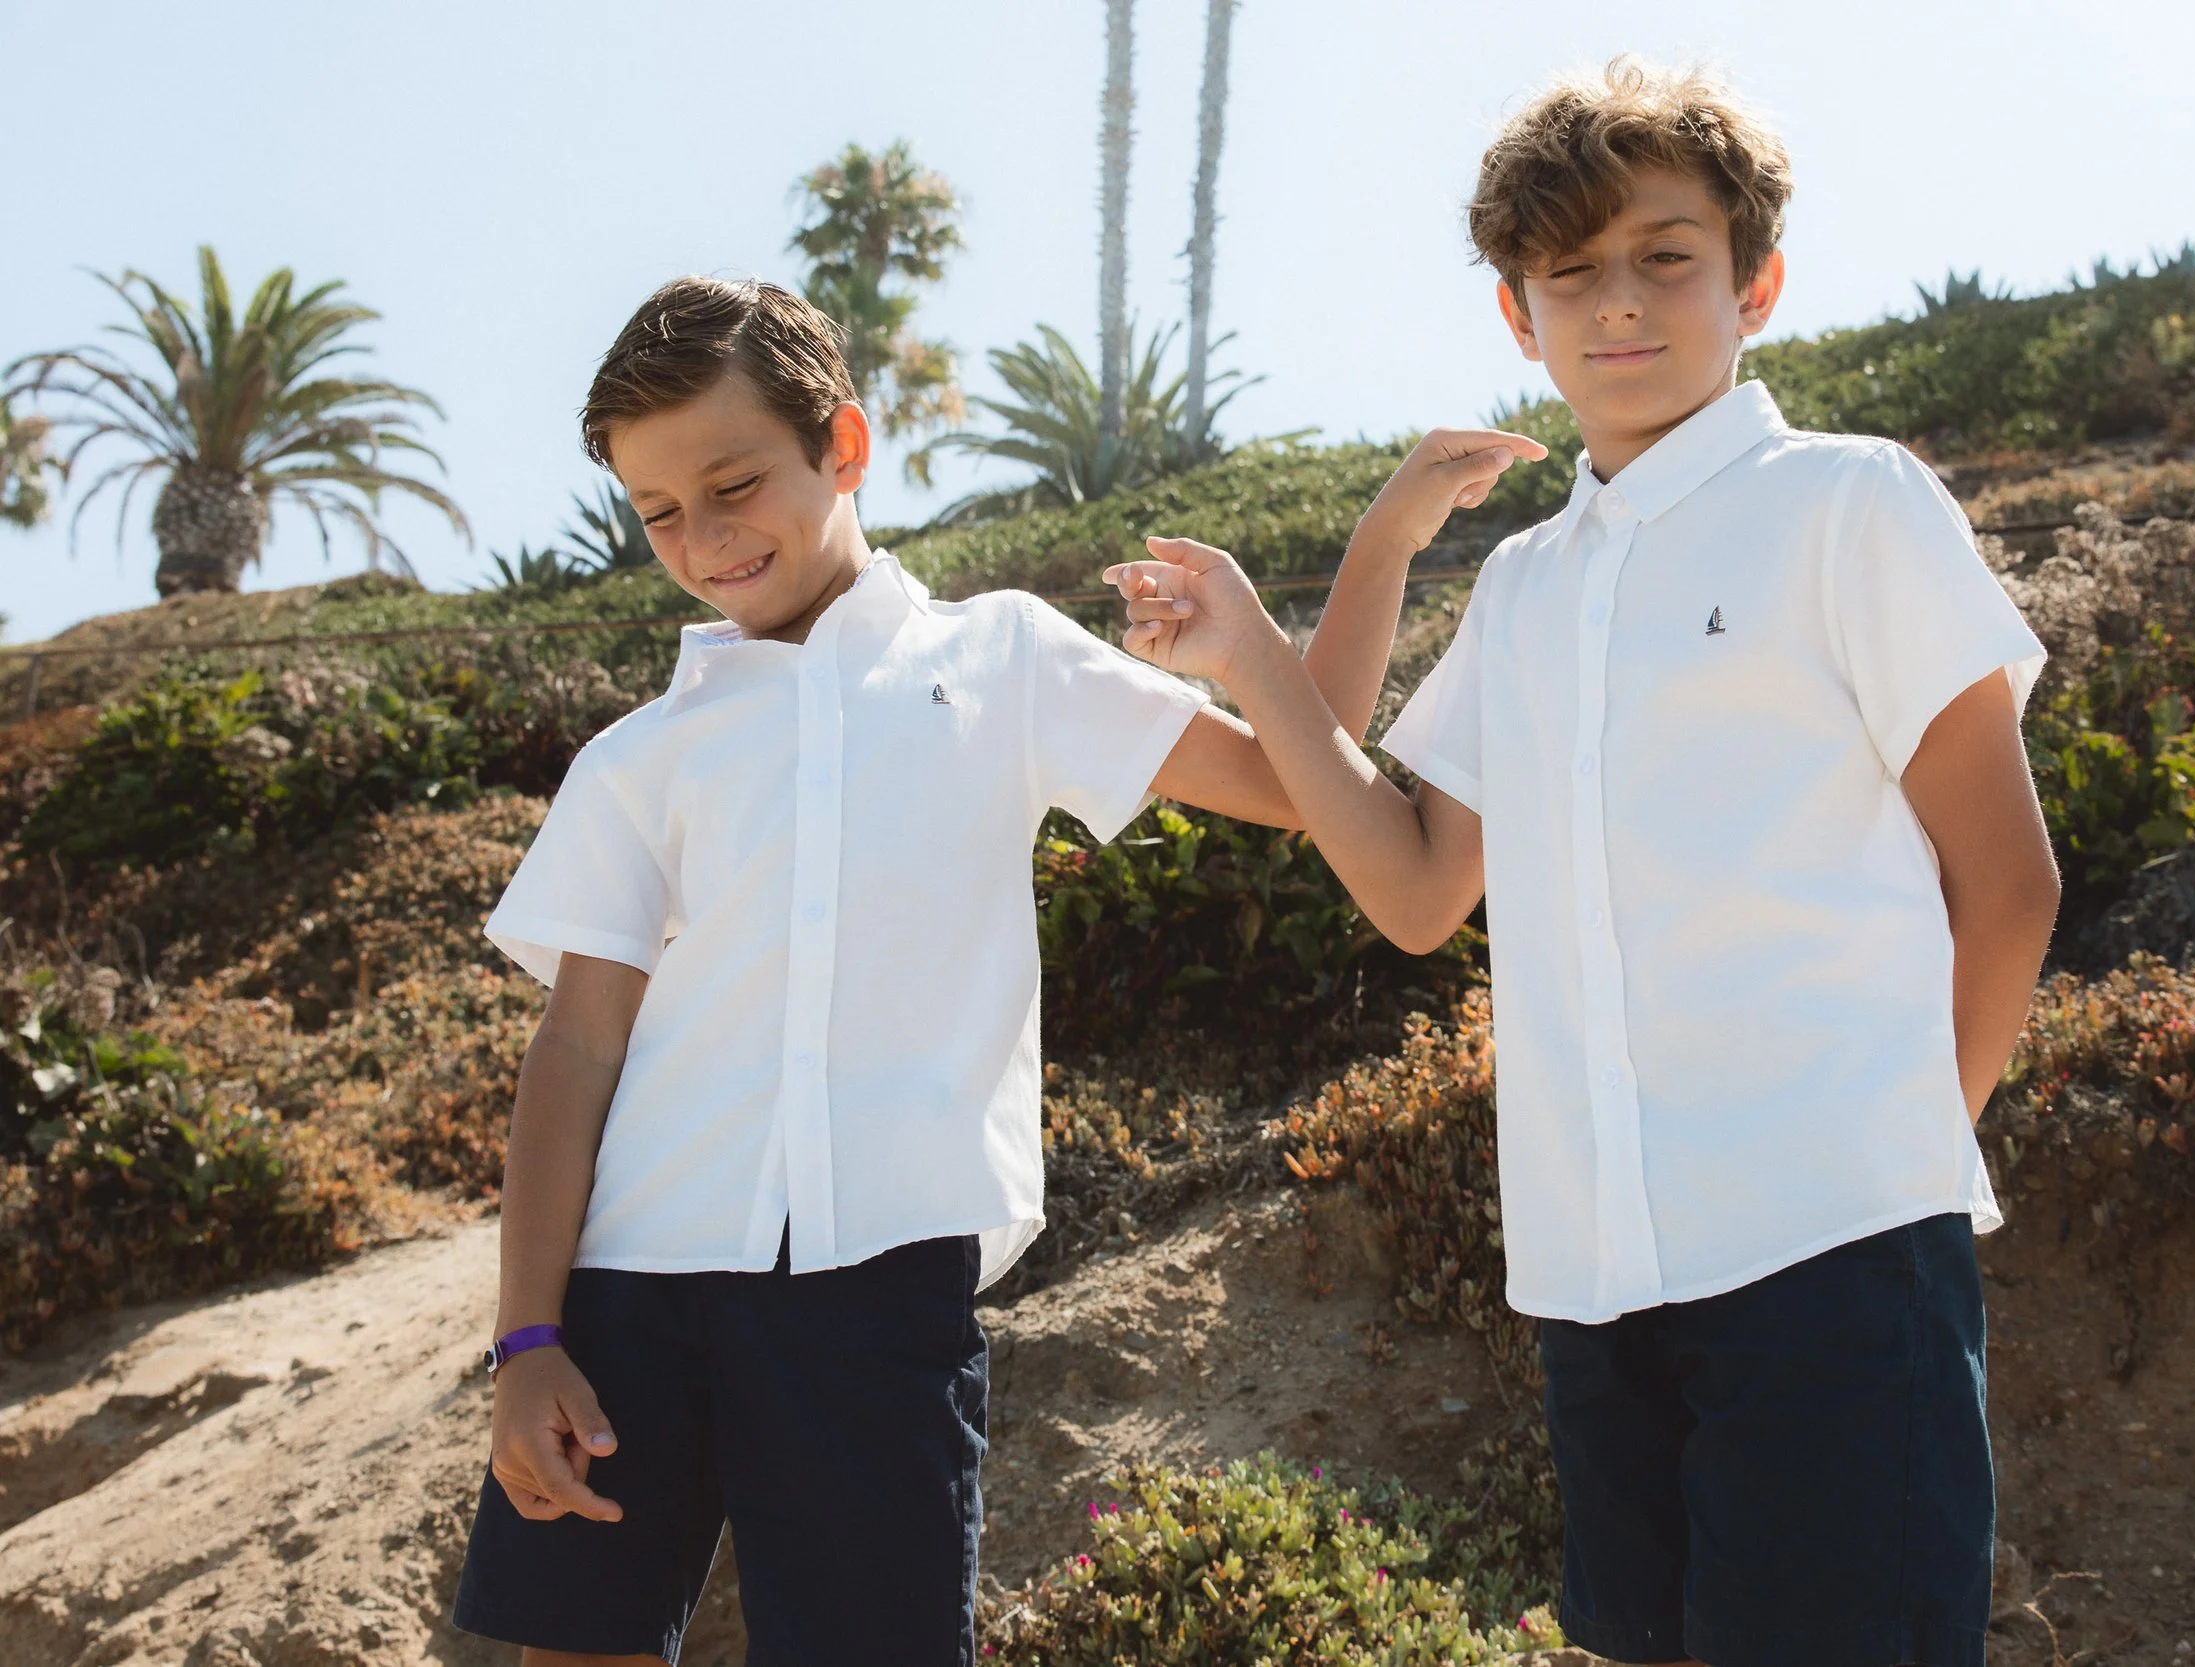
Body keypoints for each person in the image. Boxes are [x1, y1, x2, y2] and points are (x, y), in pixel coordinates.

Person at [1104, 57, 2062, 1667]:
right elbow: (1418, 888)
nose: (1618, 301)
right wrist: (1254, 655)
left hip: (1836, 1252)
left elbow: (2012, 884)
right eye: (1571, 272)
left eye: (1666, 257)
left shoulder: (1850, 502)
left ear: (1756, 283)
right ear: (1518, 313)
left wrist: (1891, 1161)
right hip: (1598, 1282)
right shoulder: (1526, 588)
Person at [452, 276, 1296, 1666]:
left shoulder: (1007, 656)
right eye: (659, 512)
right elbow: (580, 1048)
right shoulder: (638, 758)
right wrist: (528, 1336)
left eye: (734, 485)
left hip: (881, 1276)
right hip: (628, 1282)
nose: (704, 538)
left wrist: (1332, 583)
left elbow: (1302, 785)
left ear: (843, 444)